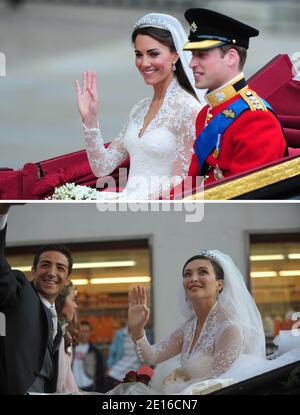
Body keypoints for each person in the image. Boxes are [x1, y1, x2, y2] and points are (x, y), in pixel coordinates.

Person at [107, 250, 300, 395]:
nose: (194, 278)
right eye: (187, 274)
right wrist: (138, 328)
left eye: (202, 272)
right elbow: (152, 357)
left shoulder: (229, 328)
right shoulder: (189, 326)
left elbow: (219, 384)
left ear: (219, 285)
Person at [75, 13, 205, 200]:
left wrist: (133, 201)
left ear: (175, 55)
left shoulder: (189, 109)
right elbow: (102, 166)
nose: (144, 63)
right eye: (138, 54)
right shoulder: (139, 109)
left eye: (153, 54)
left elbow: (181, 181)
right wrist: (90, 120)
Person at [184, 9, 287, 185]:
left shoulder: (256, 118)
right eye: (193, 55)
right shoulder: (206, 113)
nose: (191, 63)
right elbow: (192, 183)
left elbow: (248, 195)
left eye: (201, 55)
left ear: (231, 57)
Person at [0, 203, 72, 395]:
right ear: (33, 271)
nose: (51, 273)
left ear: (67, 280)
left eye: (60, 268)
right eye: (45, 265)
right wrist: (1, 215)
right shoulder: (19, 291)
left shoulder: (57, 317)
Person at [55, 282, 80, 393]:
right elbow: (59, 381)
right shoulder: (56, 333)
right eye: (73, 299)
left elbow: (67, 373)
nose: (75, 306)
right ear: (60, 302)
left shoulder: (66, 333)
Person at [105, 324, 141, 391]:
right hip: (117, 371)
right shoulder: (120, 334)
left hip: (132, 374)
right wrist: (109, 367)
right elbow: (112, 352)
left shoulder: (142, 334)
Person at [72, 321, 105, 392]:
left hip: (89, 388)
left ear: (90, 333)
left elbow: (100, 372)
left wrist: (98, 389)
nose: (84, 333)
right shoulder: (71, 348)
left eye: (86, 331)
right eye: (82, 331)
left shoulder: (96, 352)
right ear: (78, 332)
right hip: (73, 387)